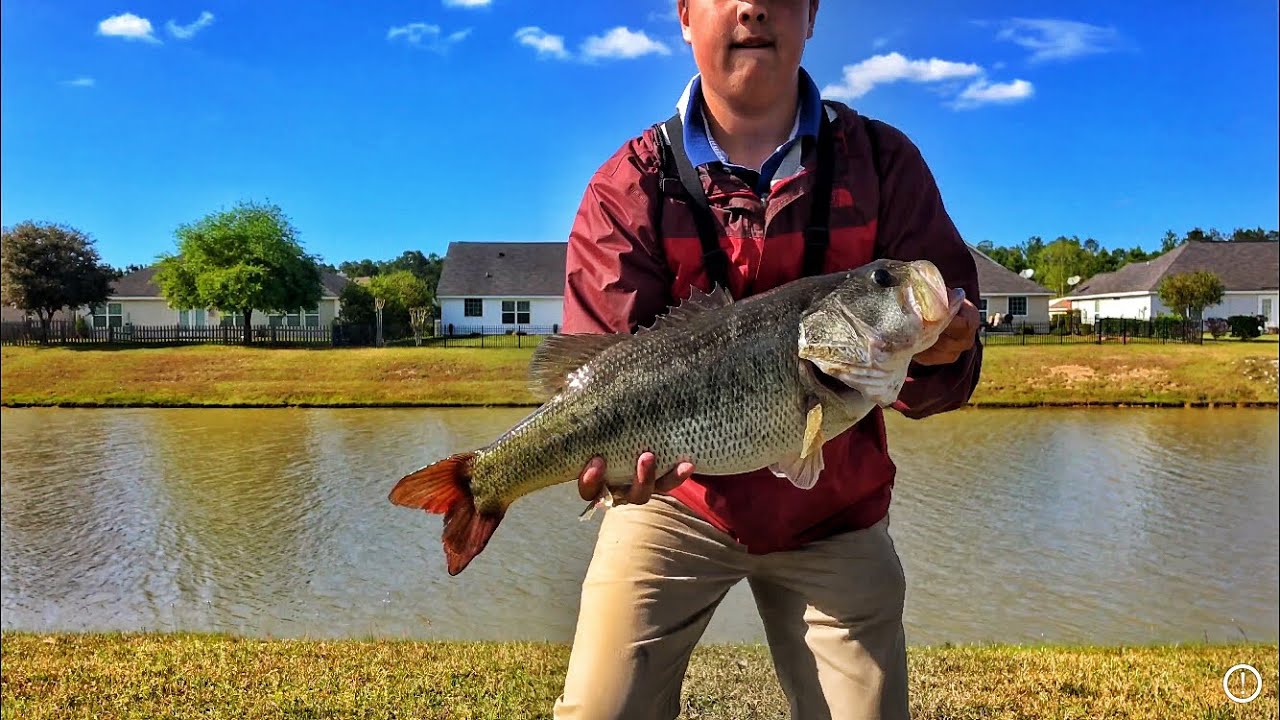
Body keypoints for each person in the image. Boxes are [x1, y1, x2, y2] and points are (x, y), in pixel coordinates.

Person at [552, 1, 982, 718]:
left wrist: (947, 350)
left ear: (811, 13)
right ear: (686, 14)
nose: (753, 6)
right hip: (675, 501)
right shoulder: (627, 186)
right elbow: (600, 370)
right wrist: (613, 475)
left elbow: (937, 383)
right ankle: (485, 483)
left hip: (835, 506)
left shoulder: (884, 164)